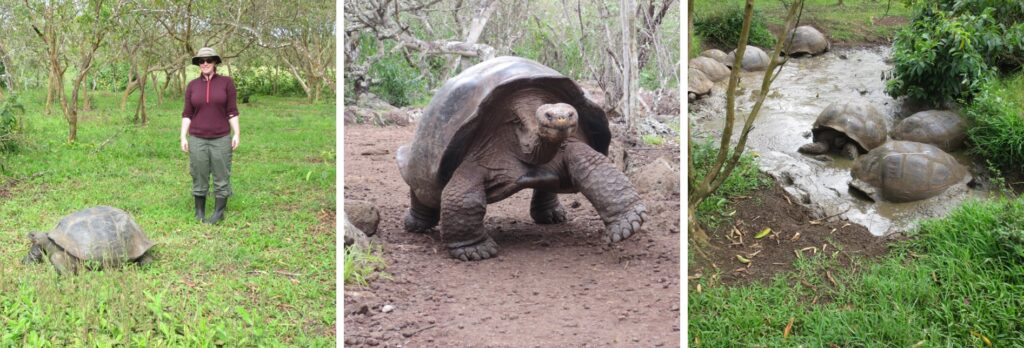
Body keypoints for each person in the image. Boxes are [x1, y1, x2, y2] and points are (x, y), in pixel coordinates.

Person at [181, 47, 240, 224]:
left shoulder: (226, 83)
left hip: (221, 137)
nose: (205, 63)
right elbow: (187, 114)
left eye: (208, 60)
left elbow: (232, 111)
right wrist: (183, 136)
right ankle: (199, 211)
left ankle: (218, 212)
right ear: (198, 64)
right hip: (197, 138)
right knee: (199, 173)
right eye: (201, 61)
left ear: (215, 62)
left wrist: (236, 133)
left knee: (221, 174)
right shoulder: (192, 86)